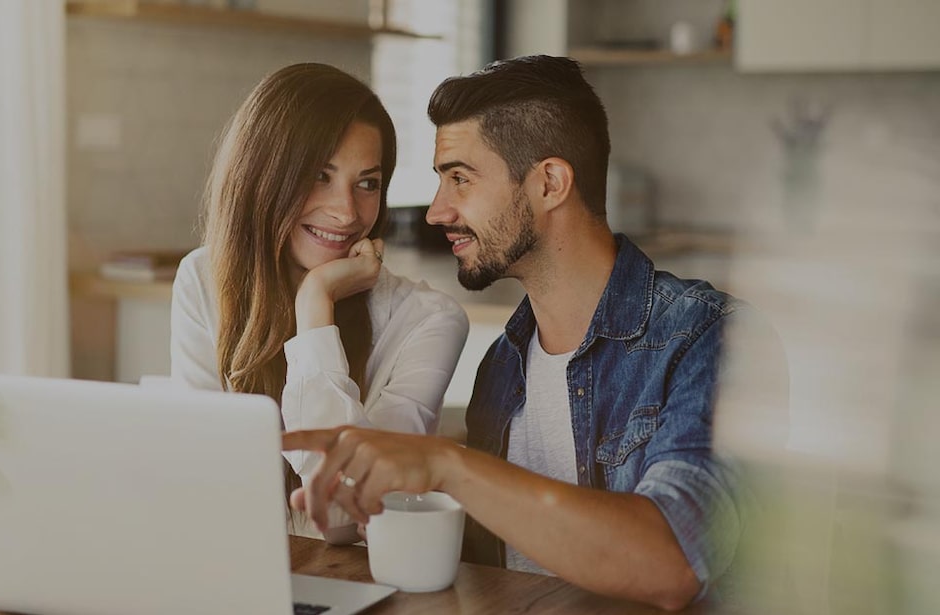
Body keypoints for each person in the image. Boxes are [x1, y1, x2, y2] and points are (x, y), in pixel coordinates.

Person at [283, 55, 787, 610]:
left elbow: (671, 562)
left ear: (549, 183)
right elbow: (484, 568)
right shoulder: (503, 367)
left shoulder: (711, 339)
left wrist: (446, 464)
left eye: (459, 179)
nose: (436, 211)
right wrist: (367, 515)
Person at [171, 63, 470, 543]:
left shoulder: (429, 322)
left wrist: (315, 307)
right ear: (261, 175)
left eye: (367, 183)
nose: (347, 211)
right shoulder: (203, 280)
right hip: (229, 568)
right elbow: (199, 481)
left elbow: (346, 511)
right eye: (319, 176)